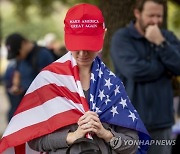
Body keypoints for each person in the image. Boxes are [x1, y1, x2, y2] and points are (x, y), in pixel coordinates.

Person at [0, 3, 150, 154]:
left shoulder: (112, 84)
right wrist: (72, 136)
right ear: (66, 36)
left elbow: (132, 144)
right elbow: (36, 141)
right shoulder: (49, 80)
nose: (82, 53)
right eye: (76, 45)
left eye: (89, 45)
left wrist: (105, 134)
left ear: (103, 35)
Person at [110, 0, 180, 154]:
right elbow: (134, 71)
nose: (155, 21)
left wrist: (161, 43)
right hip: (129, 124)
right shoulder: (122, 38)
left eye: (159, 16)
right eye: (151, 15)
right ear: (137, 13)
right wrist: (165, 67)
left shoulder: (167, 37)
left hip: (162, 122)